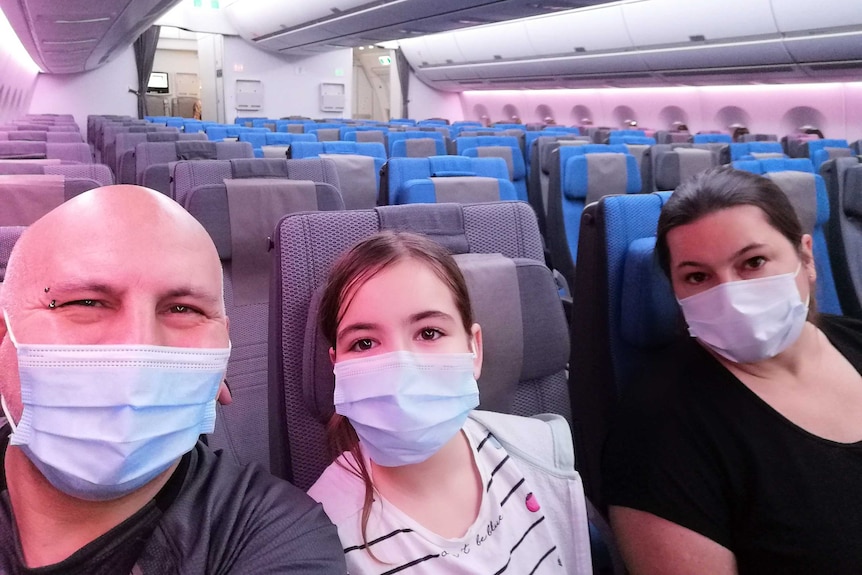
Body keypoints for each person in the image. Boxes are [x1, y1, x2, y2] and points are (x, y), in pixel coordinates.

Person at [0, 185, 346, 573]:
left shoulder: (277, 536)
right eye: (85, 302)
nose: (138, 347)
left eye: (183, 309)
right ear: (3, 337)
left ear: (222, 358)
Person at [602, 167, 862, 574]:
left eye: (753, 262)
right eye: (698, 276)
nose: (732, 296)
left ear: (806, 257)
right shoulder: (660, 425)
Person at [307, 231, 592, 574]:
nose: (402, 372)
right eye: (365, 343)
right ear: (337, 366)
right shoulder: (317, 535)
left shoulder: (543, 455)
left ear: (474, 350)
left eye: (429, 333)